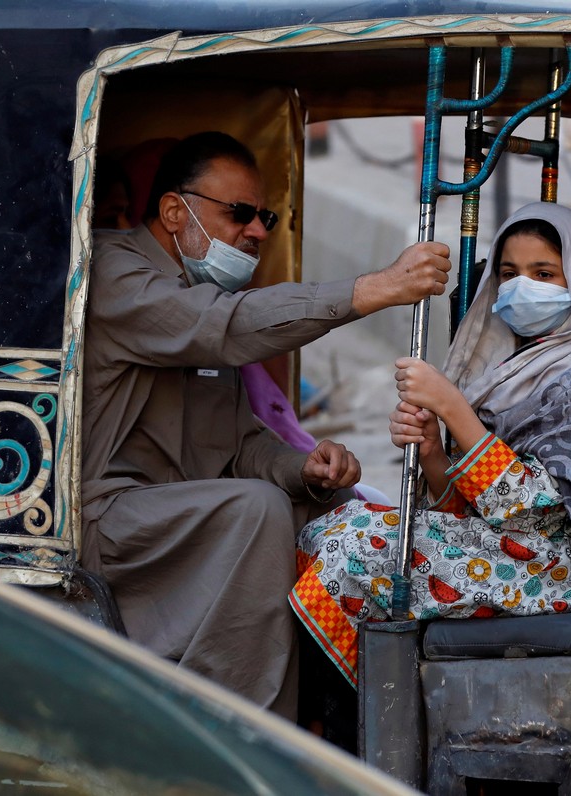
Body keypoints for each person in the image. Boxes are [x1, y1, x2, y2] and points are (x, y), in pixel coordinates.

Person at [80, 131, 451, 719]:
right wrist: (372, 290)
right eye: (239, 214)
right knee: (256, 511)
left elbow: (236, 444)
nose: (256, 232)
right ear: (175, 212)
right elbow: (223, 325)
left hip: (180, 517)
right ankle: (242, 734)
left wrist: (300, 467)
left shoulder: (201, 288)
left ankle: (352, 711)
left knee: (338, 509)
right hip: (111, 522)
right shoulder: (113, 271)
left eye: (264, 217)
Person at [289, 202, 571, 686]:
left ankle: (367, 716)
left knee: (354, 554)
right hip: (513, 547)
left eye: (544, 273)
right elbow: (462, 507)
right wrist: (436, 449)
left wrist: (453, 408)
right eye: (509, 273)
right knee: (333, 525)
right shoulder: (507, 370)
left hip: (569, 568)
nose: (523, 287)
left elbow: (532, 507)